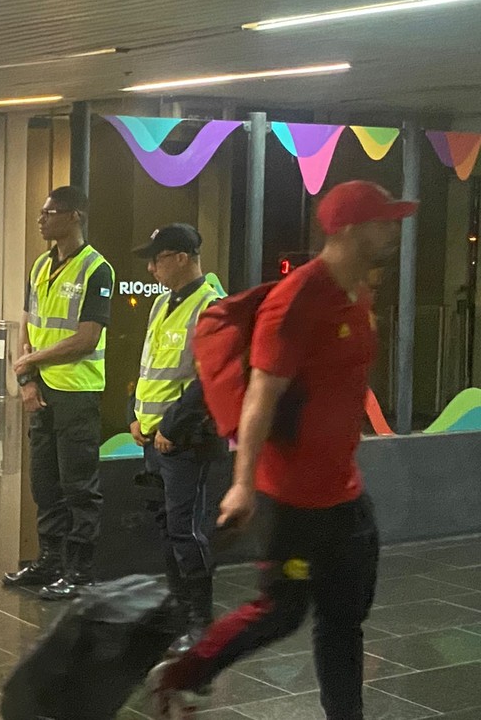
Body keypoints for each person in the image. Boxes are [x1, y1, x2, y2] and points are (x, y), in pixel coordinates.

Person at [149, 181, 417, 720]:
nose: (393, 230)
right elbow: (260, 399)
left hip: (345, 494)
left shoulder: (359, 294)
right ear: (350, 229)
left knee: (344, 619)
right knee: (281, 611)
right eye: (384, 221)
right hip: (291, 499)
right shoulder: (294, 303)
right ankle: (184, 673)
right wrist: (244, 483)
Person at [2, 185, 115, 601]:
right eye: (42, 211)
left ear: (75, 216)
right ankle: (49, 560)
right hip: (43, 390)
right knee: (44, 481)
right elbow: (28, 325)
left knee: (78, 484)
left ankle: (79, 570)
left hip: (77, 392)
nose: (42, 219)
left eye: (51, 212)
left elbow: (86, 339)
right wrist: (28, 379)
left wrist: (33, 362)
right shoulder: (39, 266)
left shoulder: (97, 270)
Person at [128, 223, 226, 655]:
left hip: (185, 441)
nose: (151, 268)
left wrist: (171, 427)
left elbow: (210, 381)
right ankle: (178, 611)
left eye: (158, 258)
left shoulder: (211, 307)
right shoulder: (164, 304)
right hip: (154, 439)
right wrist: (138, 417)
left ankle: (200, 622)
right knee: (167, 528)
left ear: (182, 258)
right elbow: (152, 366)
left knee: (186, 531)